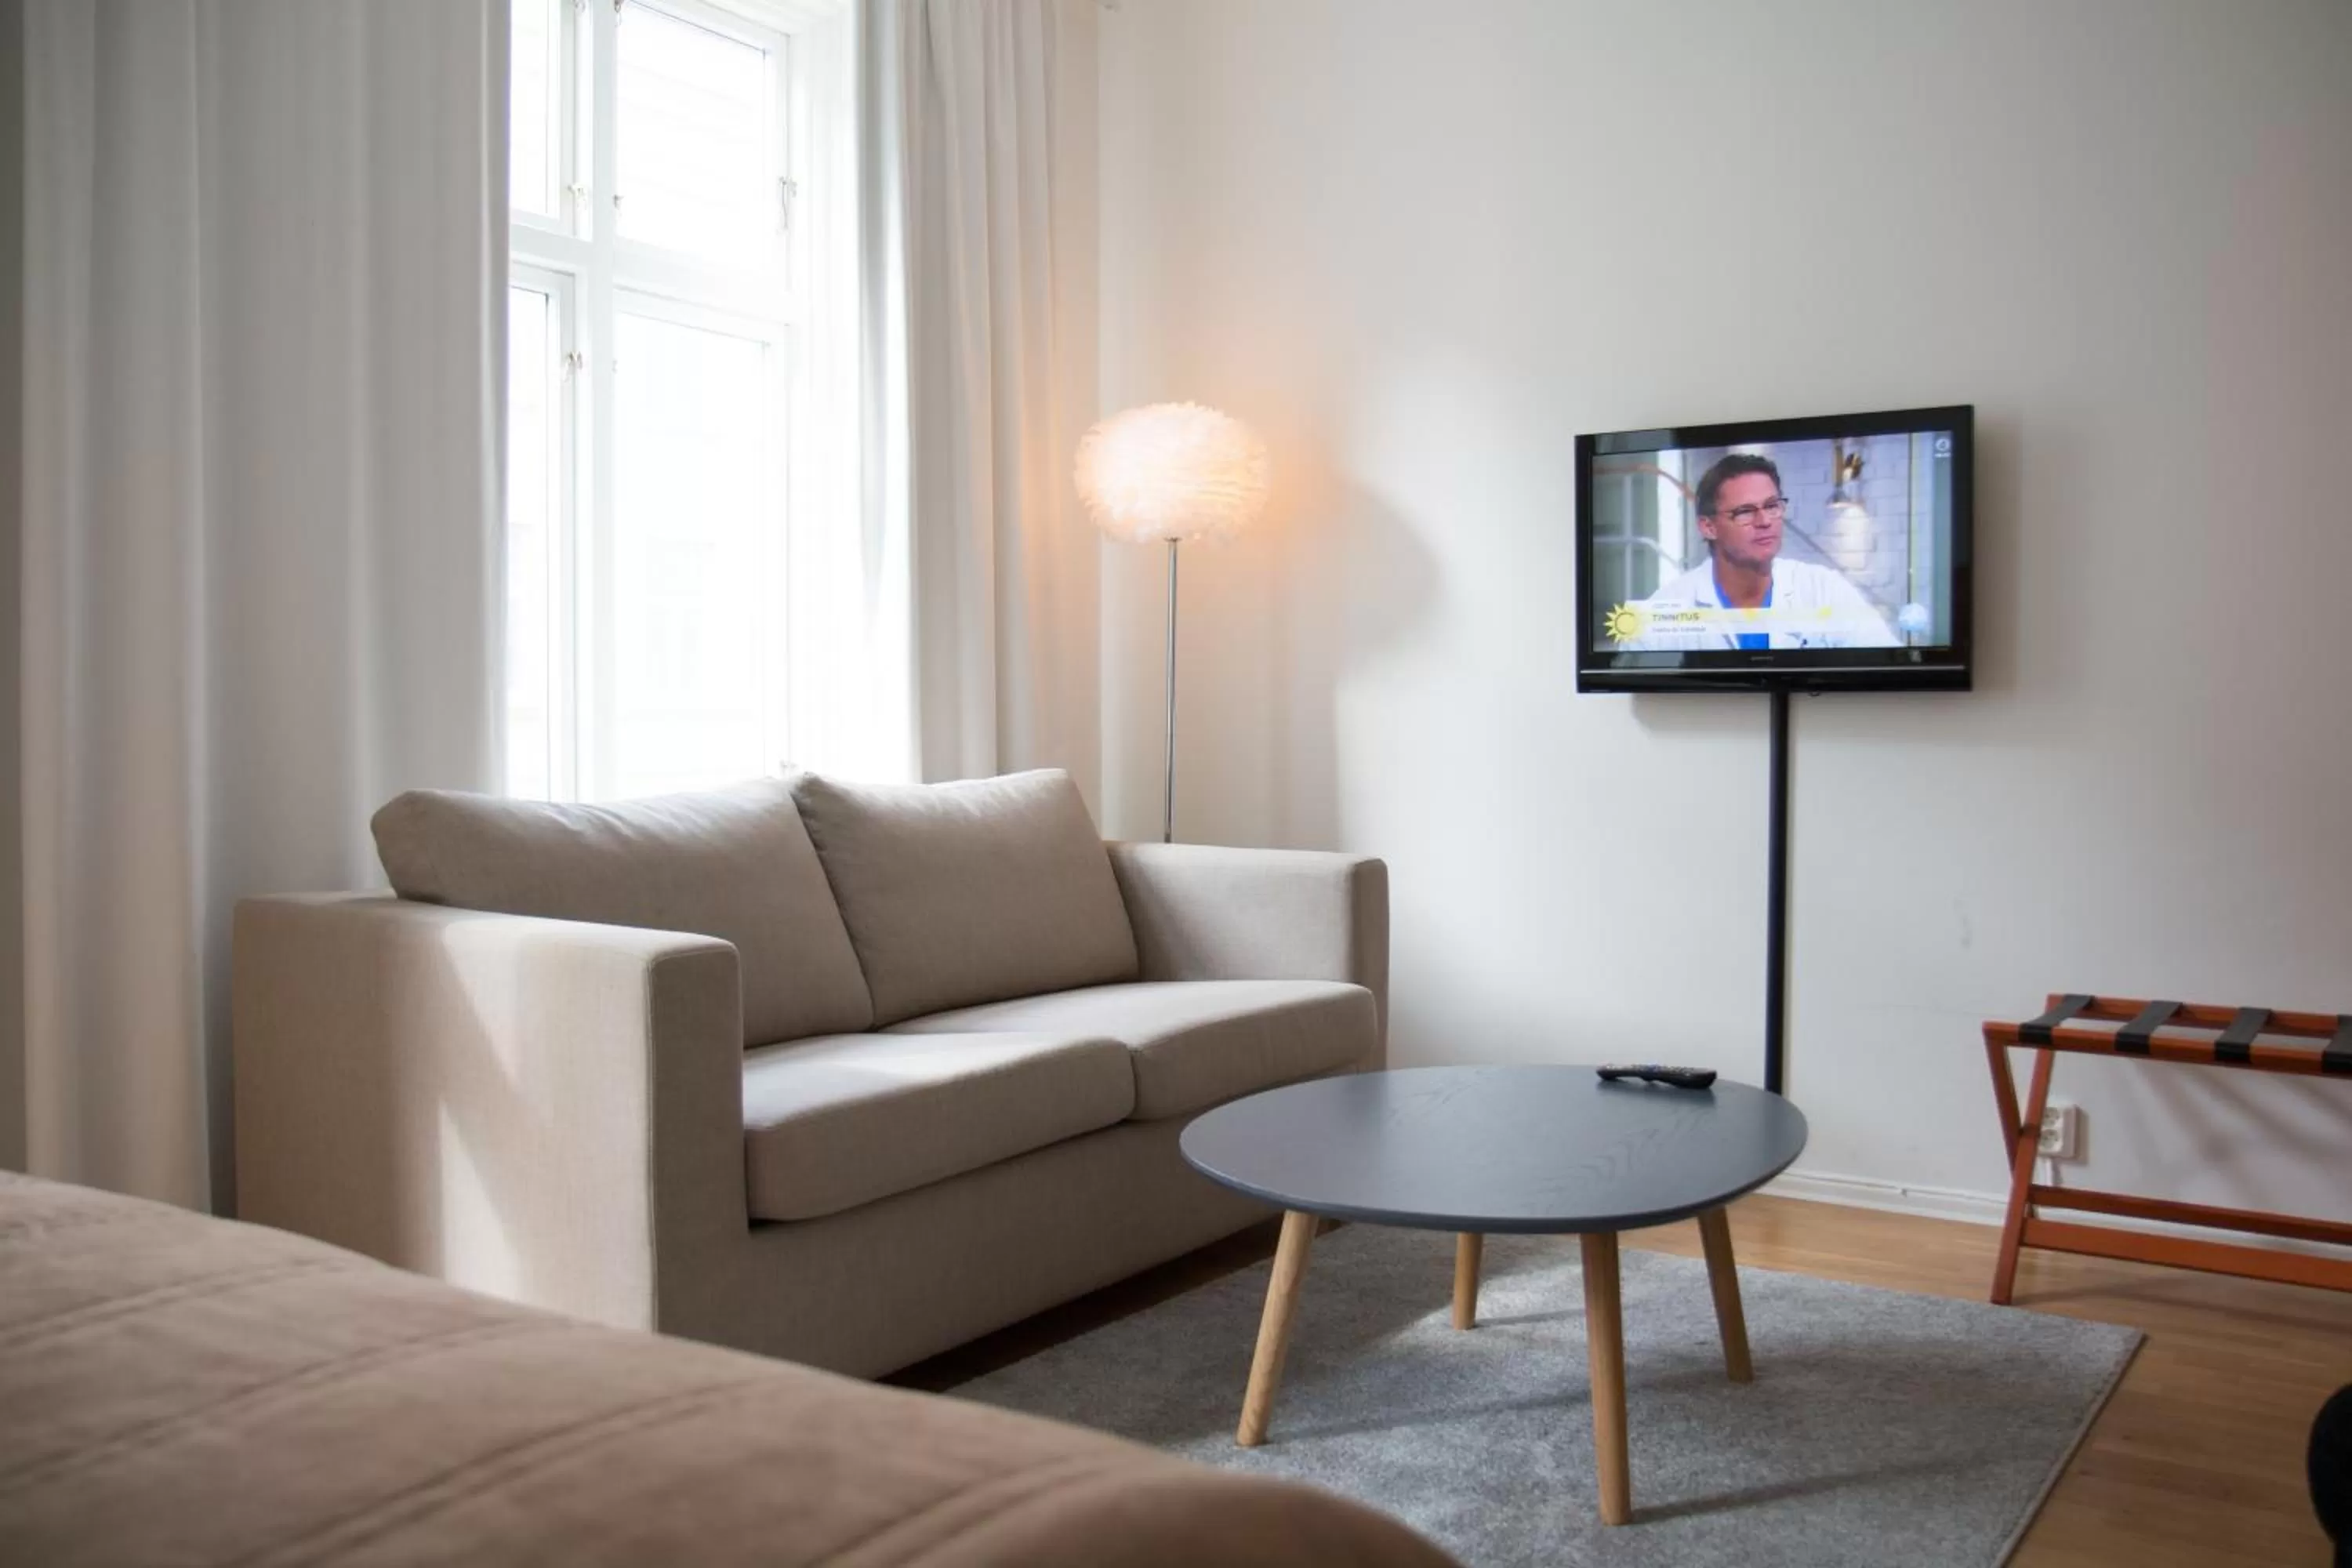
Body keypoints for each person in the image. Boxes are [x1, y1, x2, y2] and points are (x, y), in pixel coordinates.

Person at [1612, 453, 1898, 651]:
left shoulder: (1823, 588)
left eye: (1772, 506)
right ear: (1708, 527)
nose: (1765, 521)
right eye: (1745, 512)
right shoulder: (1666, 609)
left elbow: (1886, 663)